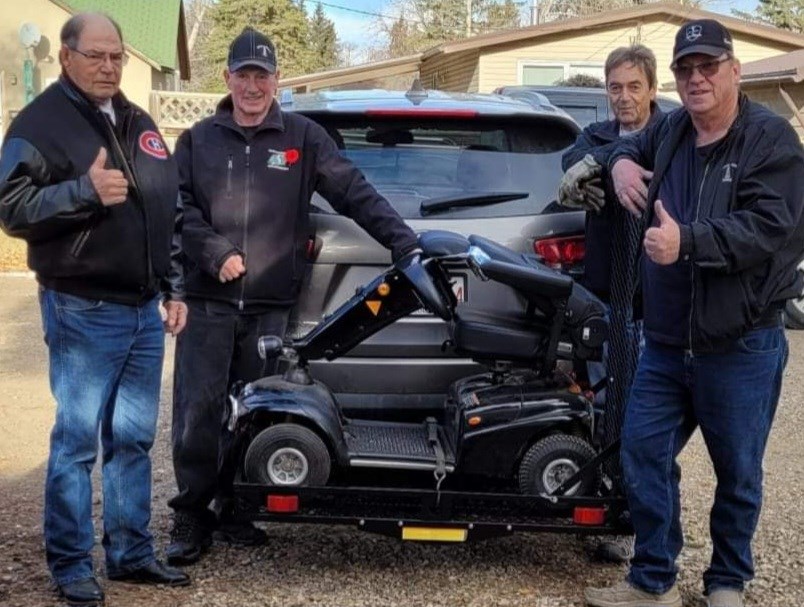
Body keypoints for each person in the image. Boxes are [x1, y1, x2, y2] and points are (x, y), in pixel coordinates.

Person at [166, 26, 419, 565]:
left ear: (277, 80)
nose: (252, 86)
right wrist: (212, 251)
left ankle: (237, 507)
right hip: (209, 301)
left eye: (262, 75)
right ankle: (191, 513)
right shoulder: (197, 140)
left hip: (271, 306)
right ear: (227, 78)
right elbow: (176, 208)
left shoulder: (303, 138)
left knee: (256, 411)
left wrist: (406, 245)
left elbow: (354, 192)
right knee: (199, 411)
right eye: (243, 75)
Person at [585, 19, 804, 607]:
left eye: (708, 66)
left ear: (734, 70)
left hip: (740, 343)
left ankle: (728, 581)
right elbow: (632, 138)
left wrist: (689, 243)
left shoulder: (771, 139)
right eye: (686, 69)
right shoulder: (676, 128)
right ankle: (653, 579)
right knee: (642, 450)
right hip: (664, 341)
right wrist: (621, 164)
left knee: (737, 472)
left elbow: (770, 228)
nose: (697, 78)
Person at [0, 12, 192, 607]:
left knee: (133, 439)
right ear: (66, 56)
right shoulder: (41, 123)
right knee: (78, 442)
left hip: (143, 308)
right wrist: (83, 192)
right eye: (96, 56)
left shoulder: (138, 120)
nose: (109, 67)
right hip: (82, 307)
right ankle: (69, 564)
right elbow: (10, 206)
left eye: (116, 57)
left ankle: (131, 555)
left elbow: (168, 209)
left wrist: (175, 284)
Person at [559, 44, 665, 564]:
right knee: (604, 409)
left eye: (634, 87)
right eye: (615, 88)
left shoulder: (672, 133)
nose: (624, 97)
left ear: (652, 88)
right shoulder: (594, 134)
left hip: (654, 305)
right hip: (605, 300)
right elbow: (569, 157)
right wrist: (581, 172)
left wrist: (604, 164)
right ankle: (607, 513)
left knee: (649, 421)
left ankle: (646, 531)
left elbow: (648, 153)